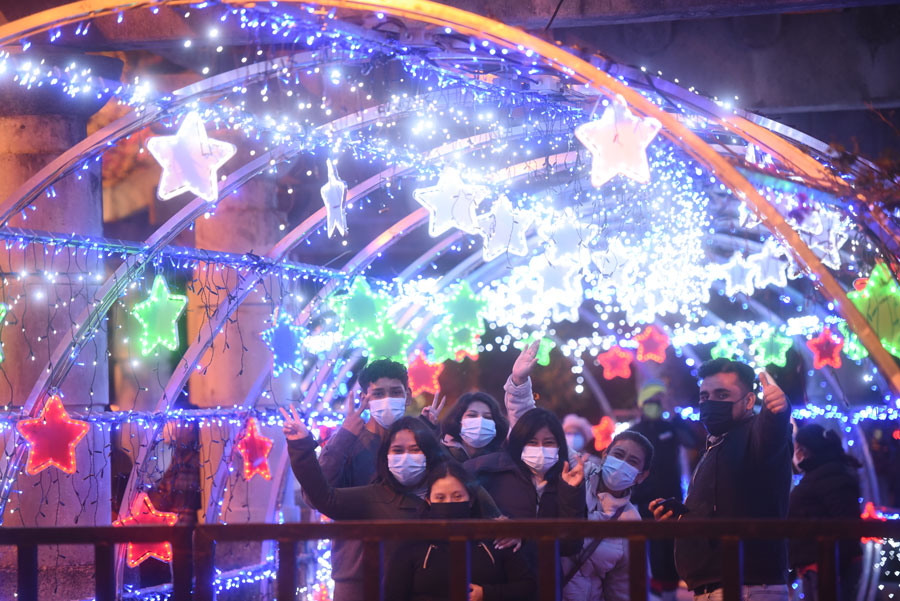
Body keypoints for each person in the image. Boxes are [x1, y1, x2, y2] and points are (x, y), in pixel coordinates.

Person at [282, 410, 507, 597]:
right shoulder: (374, 496)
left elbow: (496, 522)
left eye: (415, 449)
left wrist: (509, 532)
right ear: (385, 457)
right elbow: (324, 498)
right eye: (397, 450)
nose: (406, 457)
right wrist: (302, 446)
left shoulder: (454, 488)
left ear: (429, 453)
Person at [649, 358, 792, 601]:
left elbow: (771, 433)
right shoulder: (717, 444)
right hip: (714, 585)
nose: (710, 402)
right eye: (704, 396)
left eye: (722, 394)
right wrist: (682, 515)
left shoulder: (755, 433)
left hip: (746, 586)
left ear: (749, 401)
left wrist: (778, 411)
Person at [310, 359, 443, 601]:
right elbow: (314, 496)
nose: (388, 400)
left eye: (395, 392)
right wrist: (344, 436)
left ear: (408, 396)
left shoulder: (419, 441)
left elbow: (446, 484)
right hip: (357, 571)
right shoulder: (347, 442)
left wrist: (431, 435)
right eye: (378, 393)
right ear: (364, 398)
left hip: (415, 567)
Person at [385, 461, 536, 601]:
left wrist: (487, 593)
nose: (449, 503)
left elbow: (527, 586)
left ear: (470, 499)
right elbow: (393, 595)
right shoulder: (413, 543)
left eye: (457, 497)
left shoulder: (494, 537)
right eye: (440, 498)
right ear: (429, 501)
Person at [464, 407, 587, 562]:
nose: (540, 449)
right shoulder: (488, 470)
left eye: (548, 443)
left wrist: (571, 492)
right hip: (496, 575)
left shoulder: (566, 481)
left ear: (559, 446)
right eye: (532, 442)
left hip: (544, 579)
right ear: (519, 442)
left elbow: (571, 545)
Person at [562, 430, 653, 601]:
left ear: (641, 476)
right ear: (605, 455)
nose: (621, 464)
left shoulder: (631, 522)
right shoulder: (577, 474)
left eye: (632, 462)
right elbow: (538, 426)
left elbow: (623, 587)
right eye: (618, 455)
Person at [630, 382, 698, 600]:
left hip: (670, 499)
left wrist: (678, 421)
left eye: (656, 404)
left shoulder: (670, 428)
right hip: (641, 502)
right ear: (641, 406)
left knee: (668, 551)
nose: (653, 407)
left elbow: (692, 442)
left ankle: (668, 593)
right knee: (645, 552)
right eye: (649, 403)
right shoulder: (634, 432)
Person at [789, 424, 862, 601]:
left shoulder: (830, 477)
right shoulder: (825, 475)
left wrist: (836, 564)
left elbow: (846, 524)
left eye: (796, 448)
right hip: (818, 564)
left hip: (827, 566)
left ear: (805, 450)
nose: (795, 455)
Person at [439, 391, 510, 462]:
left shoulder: (503, 462)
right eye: (472, 415)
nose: (480, 421)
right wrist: (429, 426)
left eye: (487, 417)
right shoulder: (442, 455)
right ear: (458, 421)